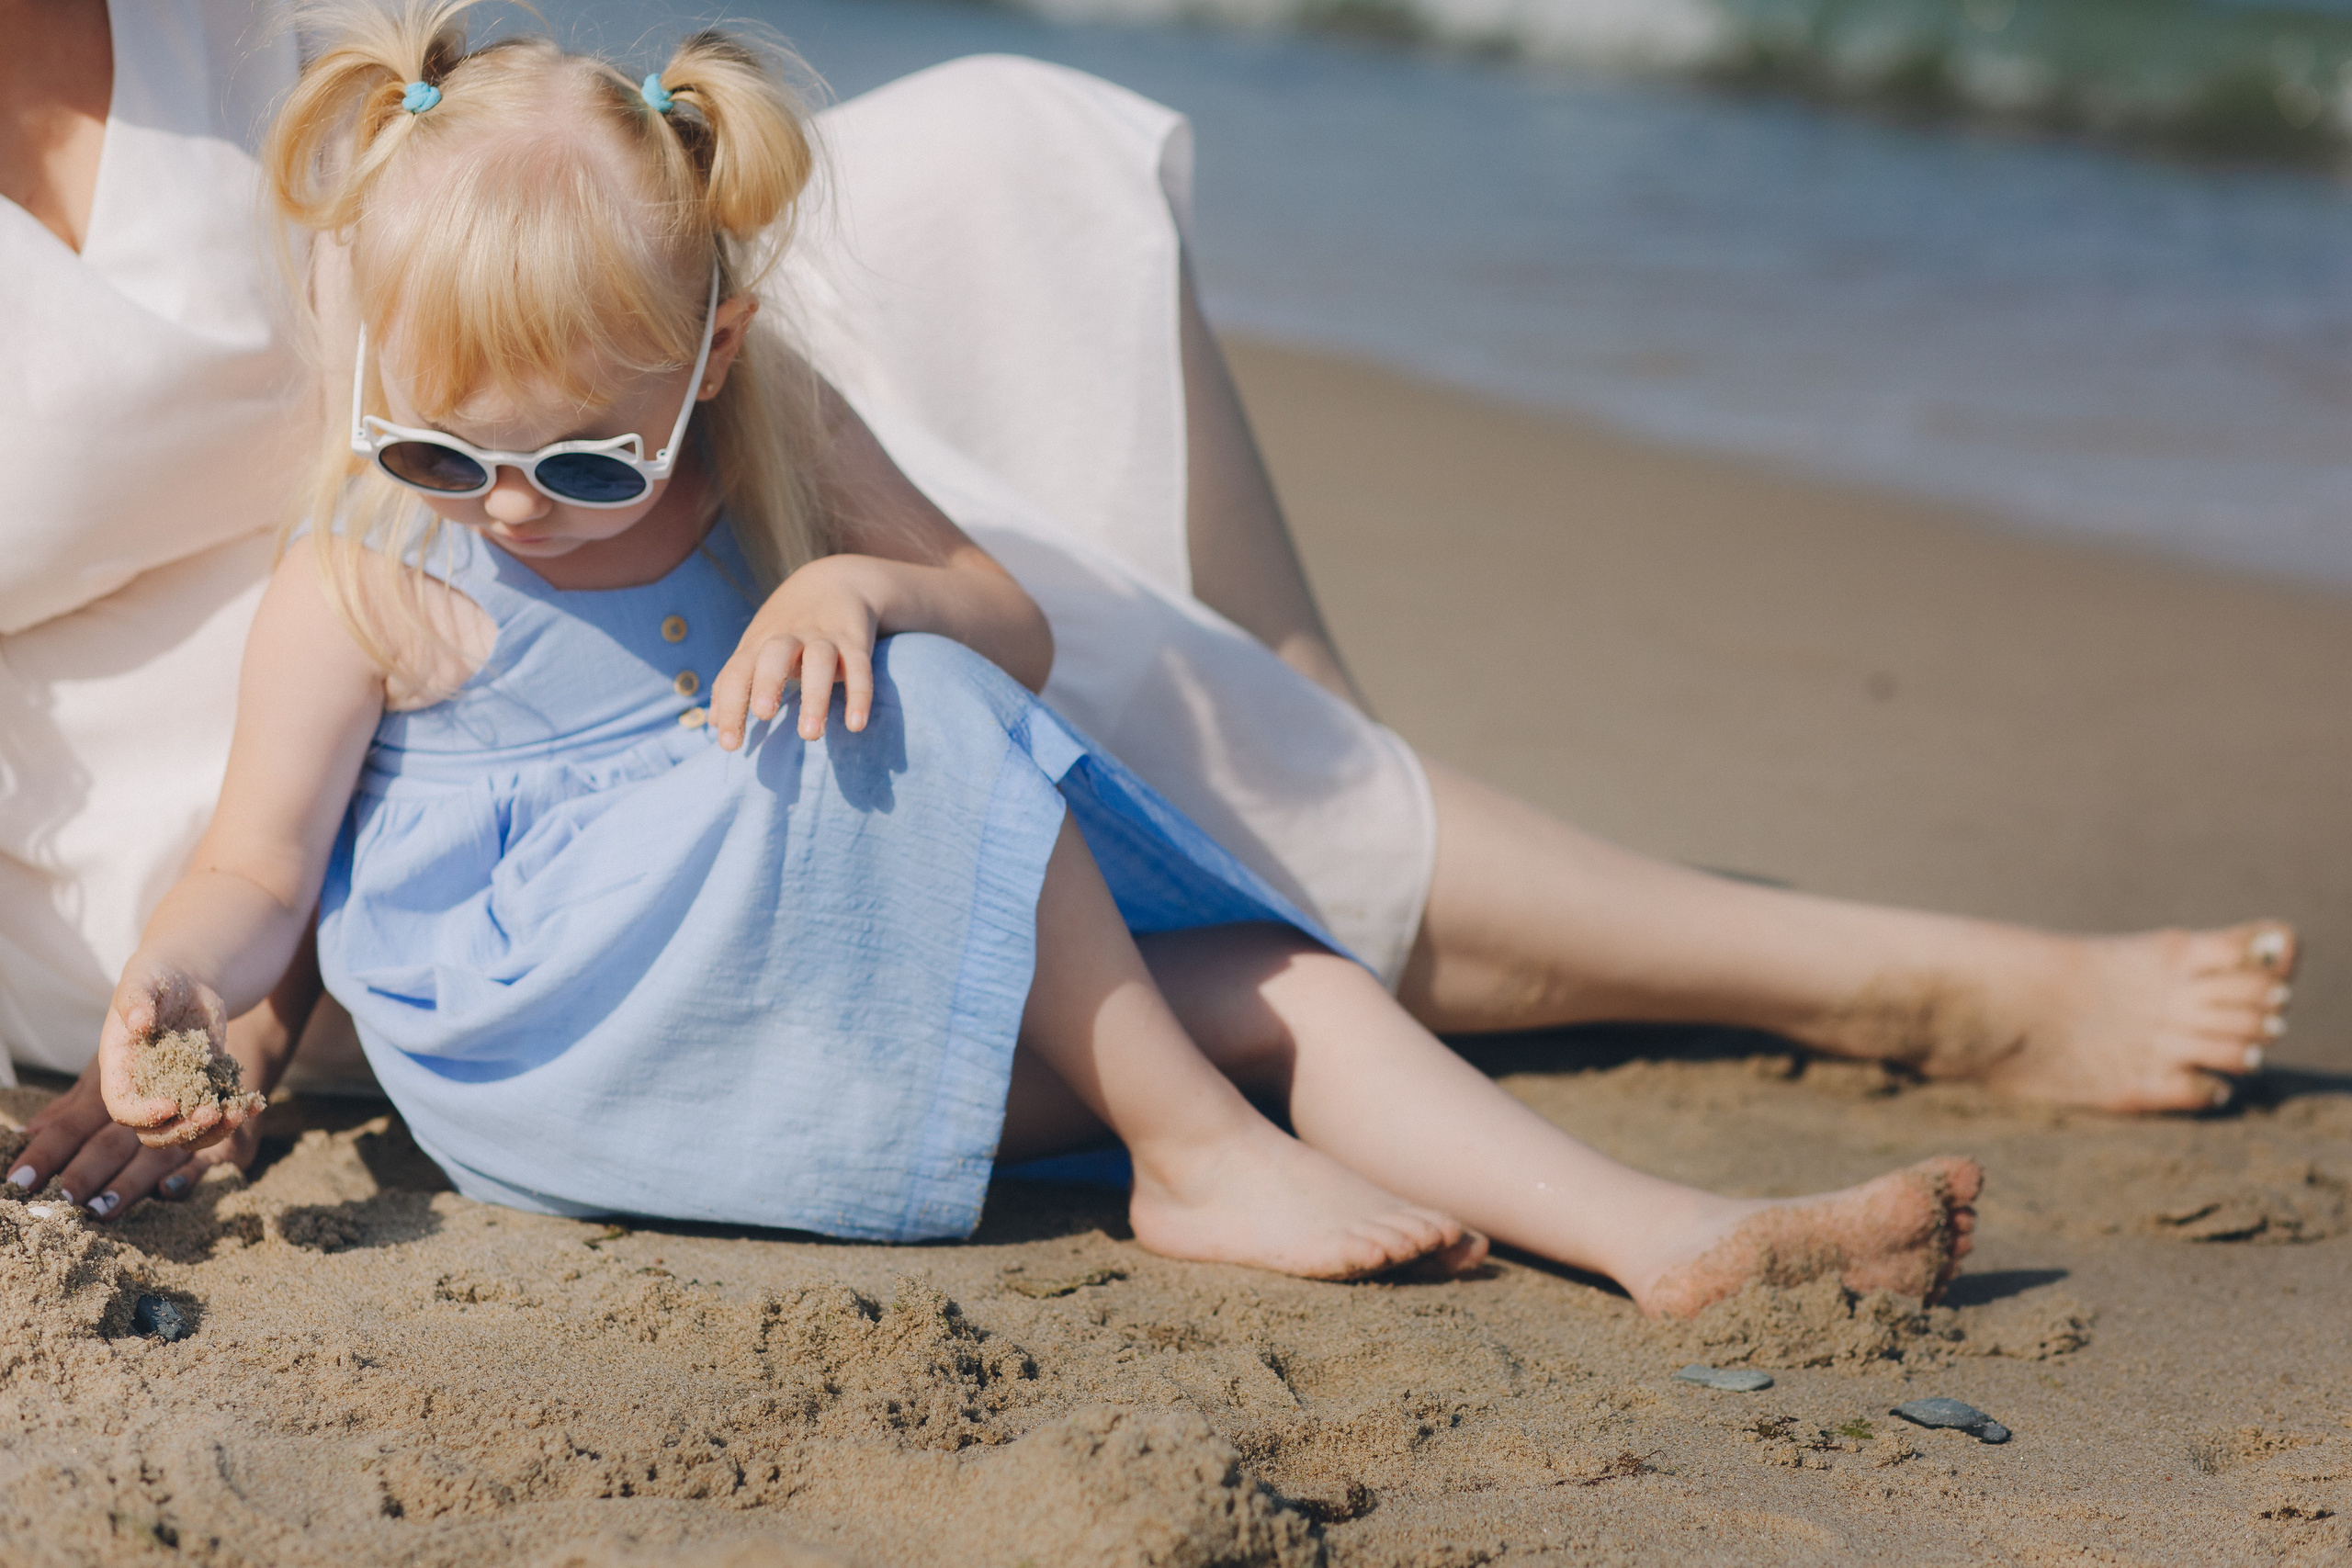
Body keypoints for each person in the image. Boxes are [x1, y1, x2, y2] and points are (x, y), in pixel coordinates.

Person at [4, 0, 2293, 1221]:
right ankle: (1725, 948)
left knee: (1006, 164)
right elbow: (261, 825)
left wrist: (696, 462)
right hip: (225, 703)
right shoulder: (376, 565)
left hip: (555, 481)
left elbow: (517, 223)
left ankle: (1350, 792)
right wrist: (207, 980)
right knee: (939, 702)